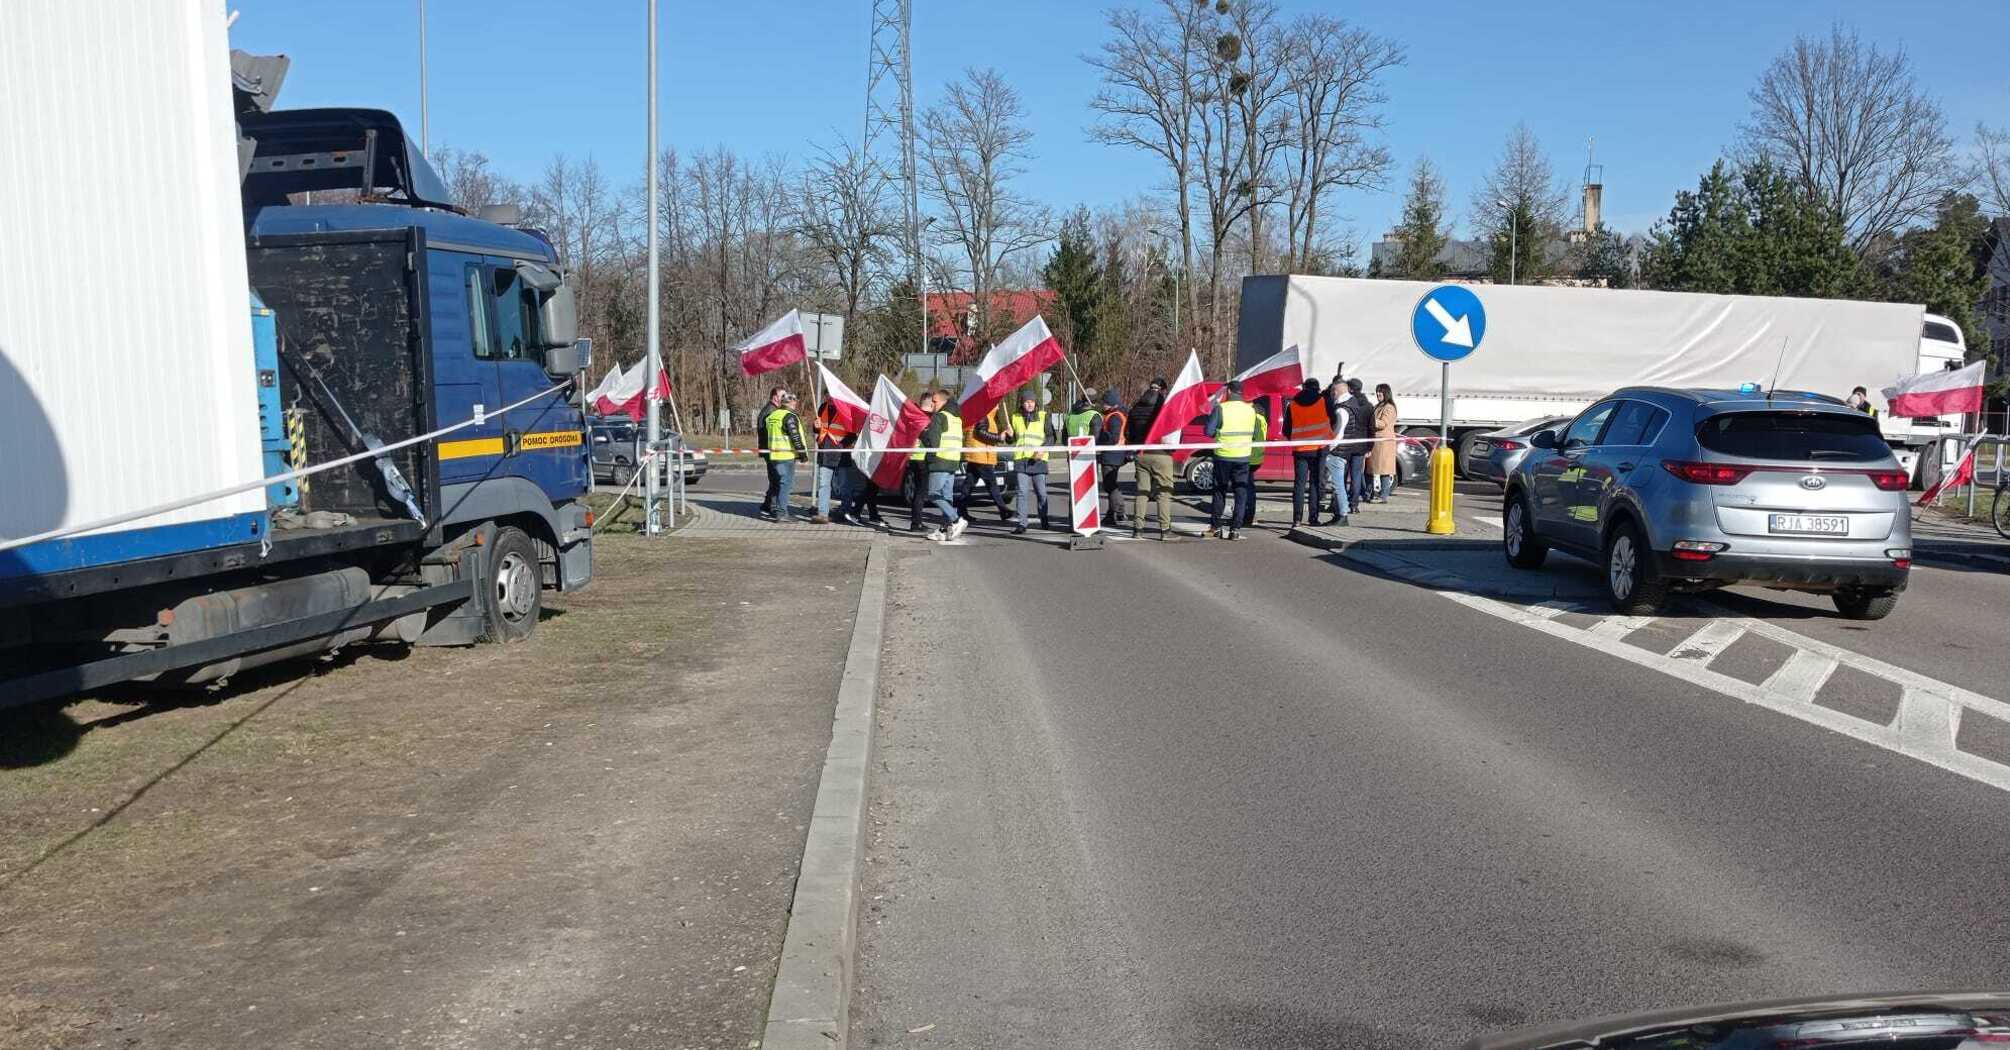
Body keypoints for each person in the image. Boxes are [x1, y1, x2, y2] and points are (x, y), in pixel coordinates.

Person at [1206, 380, 1258, 540]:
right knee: (1240, 493)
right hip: (1243, 457)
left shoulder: (1221, 408)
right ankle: (1235, 529)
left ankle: (1216, 527)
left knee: (1219, 491)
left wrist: (1217, 431)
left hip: (1223, 456)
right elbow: (1255, 434)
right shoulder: (1251, 410)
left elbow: (1208, 431)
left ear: (1228, 391)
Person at [1127, 378, 1177, 540]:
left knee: (1142, 492)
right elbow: (1173, 431)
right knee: (1164, 492)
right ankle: (1165, 530)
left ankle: (1137, 529)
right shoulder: (1164, 408)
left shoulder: (1136, 407)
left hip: (1141, 454)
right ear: (1163, 390)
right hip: (1161, 454)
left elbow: (1128, 433)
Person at [1283, 379, 1334, 528]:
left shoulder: (1293, 404)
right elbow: (1334, 419)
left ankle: (1297, 519)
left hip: (1300, 450)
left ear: (1304, 387)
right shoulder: (1324, 401)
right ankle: (1313, 518)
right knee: (1315, 484)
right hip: (1319, 449)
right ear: (1317, 388)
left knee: (1299, 484)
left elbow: (1286, 429)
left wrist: (1297, 438)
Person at [1008, 393, 1061, 534]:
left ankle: (1043, 517)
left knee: (1041, 493)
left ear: (1036, 403)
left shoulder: (1043, 416)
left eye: (1032, 401)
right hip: (1021, 460)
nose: (1029, 404)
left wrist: (1042, 450)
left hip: (1038, 460)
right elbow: (1011, 440)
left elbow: (1051, 437)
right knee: (1022, 493)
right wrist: (1009, 435)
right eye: (1026, 402)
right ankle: (1022, 524)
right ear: (1022, 403)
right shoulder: (1015, 417)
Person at [918, 389, 967, 541]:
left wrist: (922, 434)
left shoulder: (939, 417)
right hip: (952, 462)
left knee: (933, 494)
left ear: (944, 402)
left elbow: (933, 442)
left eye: (935, 401)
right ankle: (944, 529)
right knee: (946, 497)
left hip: (940, 461)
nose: (932, 404)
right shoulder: (956, 418)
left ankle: (956, 520)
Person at [757, 388, 806, 521]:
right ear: (790, 403)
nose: (795, 404)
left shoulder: (772, 416)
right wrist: (802, 454)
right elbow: (795, 437)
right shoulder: (788, 416)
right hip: (786, 455)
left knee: (778, 483)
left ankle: (773, 508)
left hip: (774, 454)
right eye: (794, 402)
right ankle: (780, 512)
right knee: (784, 484)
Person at [959, 404, 1015, 523]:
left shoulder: (989, 416)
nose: (998, 407)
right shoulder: (983, 414)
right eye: (996, 405)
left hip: (979, 454)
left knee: (969, 484)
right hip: (981, 454)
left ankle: (961, 511)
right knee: (992, 483)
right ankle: (1003, 509)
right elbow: (980, 432)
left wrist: (1009, 435)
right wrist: (998, 438)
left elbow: (1005, 438)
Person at [810, 395, 855, 524]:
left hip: (841, 454)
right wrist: (815, 426)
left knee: (844, 485)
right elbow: (818, 429)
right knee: (824, 484)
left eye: (831, 396)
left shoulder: (845, 409)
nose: (829, 398)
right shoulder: (822, 408)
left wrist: (842, 444)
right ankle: (823, 514)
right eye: (827, 396)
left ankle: (845, 511)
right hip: (825, 453)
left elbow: (852, 433)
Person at [1096, 389, 1131, 528]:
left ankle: (1118, 512)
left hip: (1112, 454)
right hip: (1116, 454)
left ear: (1111, 403)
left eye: (1104, 403)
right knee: (1111, 484)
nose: (1102, 405)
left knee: (1110, 485)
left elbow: (1113, 438)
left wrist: (1100, 438)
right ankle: (1113, 514)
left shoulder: (1114, 417)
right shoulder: (1117, 414)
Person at [1338, 377, 1374, 510]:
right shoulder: (1368, 406)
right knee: (1356, 475)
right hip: (1361, 445)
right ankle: (1354, 504)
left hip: (1346, 444)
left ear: (1351, 389)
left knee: (1342, 475)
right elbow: (1372, 427)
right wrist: (1370, 446)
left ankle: (1341, 503)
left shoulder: (1347, 403)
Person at [1322, 372, 1353, 526]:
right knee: (1338, 484)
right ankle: (1339, 514)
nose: (1331, 395)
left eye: (1333, 391)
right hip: (1344, 451)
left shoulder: (1341, 410)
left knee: (1338, 485)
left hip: (1337, 452)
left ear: (1337, 391)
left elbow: (1338, 433)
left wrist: (1329, 448)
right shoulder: (1351, 404)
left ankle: (1342, 515)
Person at [1368, 383, 1400, 503]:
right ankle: (1371, 494)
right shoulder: (1378, 406)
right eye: (1377, 392)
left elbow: (1383, 423)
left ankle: (1383, 496)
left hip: (1384, 443)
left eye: (1380, 392)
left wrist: (1369, 420)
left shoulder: (1389, 407)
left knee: (1384, 471)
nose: (1378, 394)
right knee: (1372, 470)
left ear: (1386, 393)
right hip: (1377, 442)